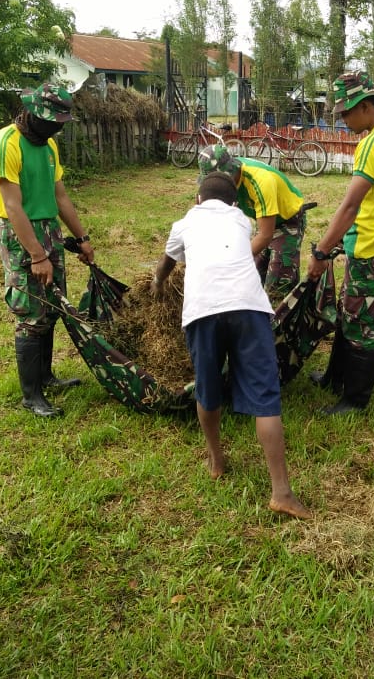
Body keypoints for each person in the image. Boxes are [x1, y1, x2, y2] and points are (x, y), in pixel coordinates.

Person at [151, 172, 311, 519]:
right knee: (266, 400)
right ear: (234, 204)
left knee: (207, 390)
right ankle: (281, 492)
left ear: (197, 200)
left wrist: (158, 283)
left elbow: (167, 262)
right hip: (249, 308)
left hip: (202, 311)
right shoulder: (240, 219)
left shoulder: (183, 223)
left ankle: (216, 459)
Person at [307, 70, 374, 414]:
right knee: (349, 310)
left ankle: (355, 399)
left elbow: (351, 205)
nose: (342, 121)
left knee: (363, 323)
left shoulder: (373, 143)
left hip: (372, 244)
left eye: (345, 113)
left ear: (365, 106)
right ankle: (334, 377)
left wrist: (322, 251)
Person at [0, 83, 95, 417]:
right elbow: (12, 206)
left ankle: (46, 377)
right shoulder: (6, 143)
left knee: (50, 307)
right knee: (30, 313)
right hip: (21, 234)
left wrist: (82, 238)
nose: (56, 128)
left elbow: (60, 195)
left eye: (60, 122)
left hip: (49, 229)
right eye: (51, 121)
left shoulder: (48, 146)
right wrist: (36, 255)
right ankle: (31, 395)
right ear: (31, 112)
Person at [198, 144, 310, 303]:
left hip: (287, 221)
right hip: (263, 220)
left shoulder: (260, 181)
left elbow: (265, 235)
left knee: (278, 285)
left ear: (229, 173)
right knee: (251, 279)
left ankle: (280, 324)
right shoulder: (223, 186)